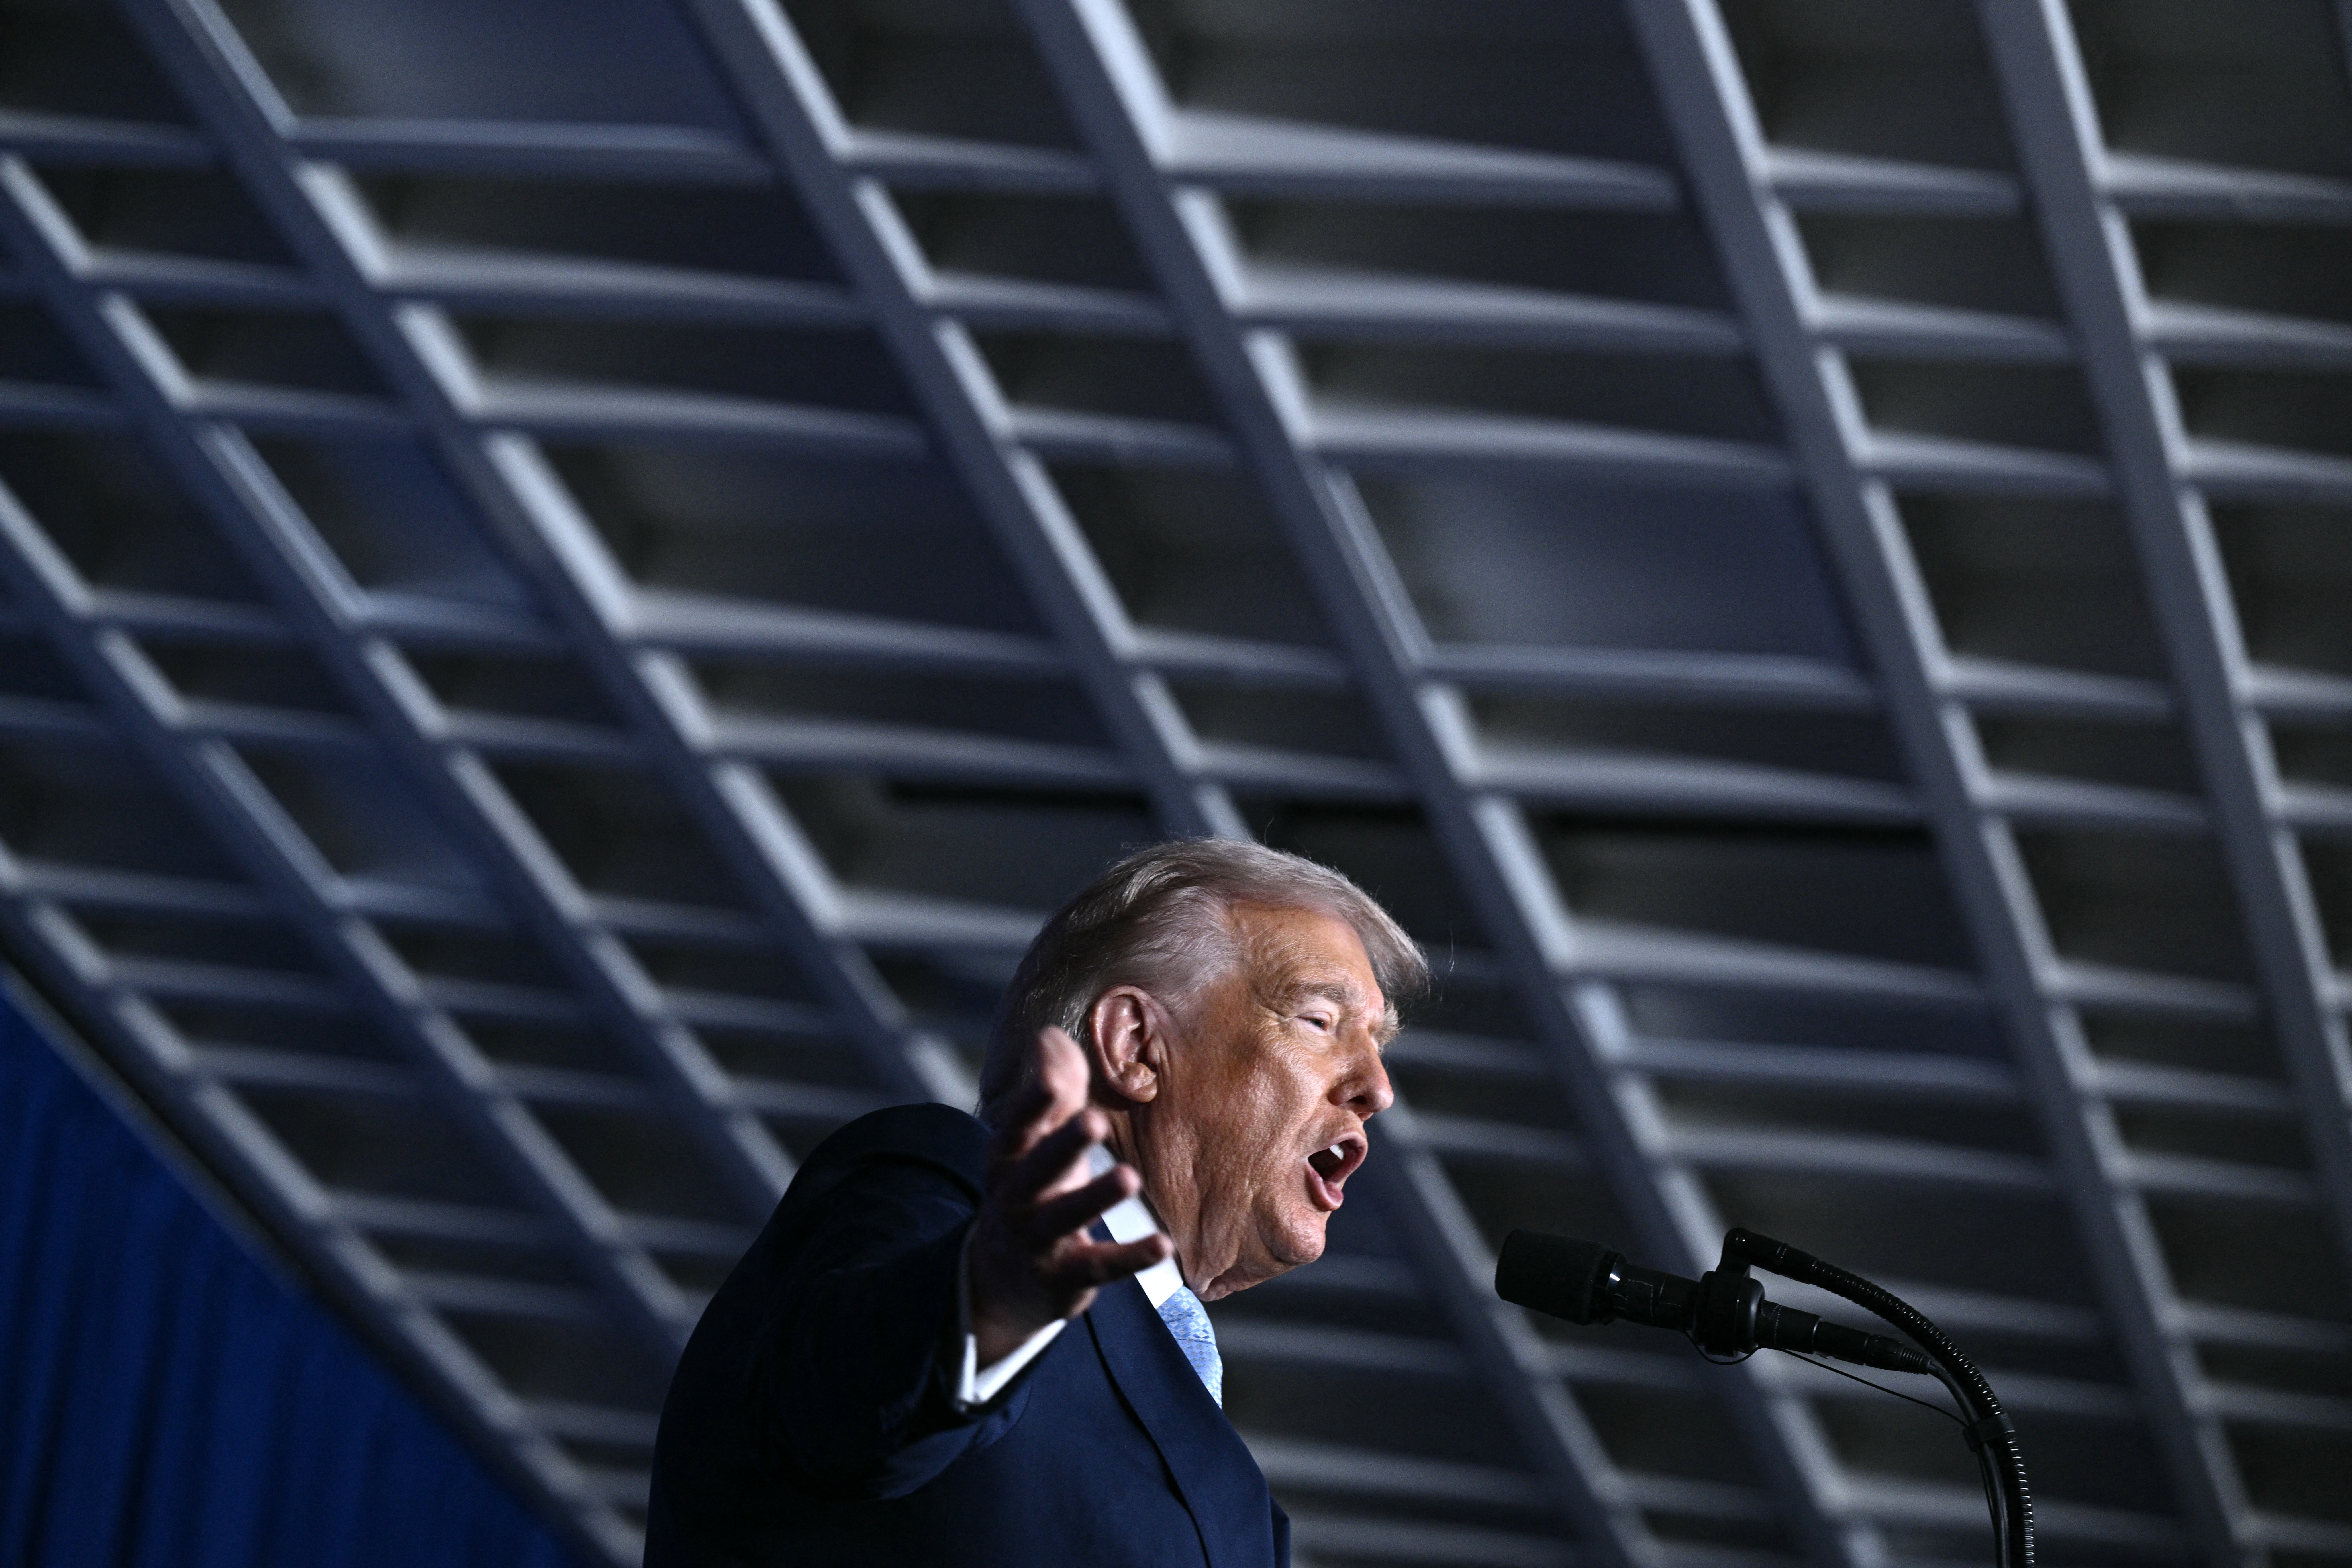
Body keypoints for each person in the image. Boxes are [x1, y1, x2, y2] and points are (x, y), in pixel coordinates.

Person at [644, 838, 1427, 1566]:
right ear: (1135, 1047)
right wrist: (986, 1305)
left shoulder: (1248, 1508)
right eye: (1320, 1022)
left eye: (1378, 1046)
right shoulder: (948, 1184)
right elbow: (833, 1409)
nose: (1378, 1089)